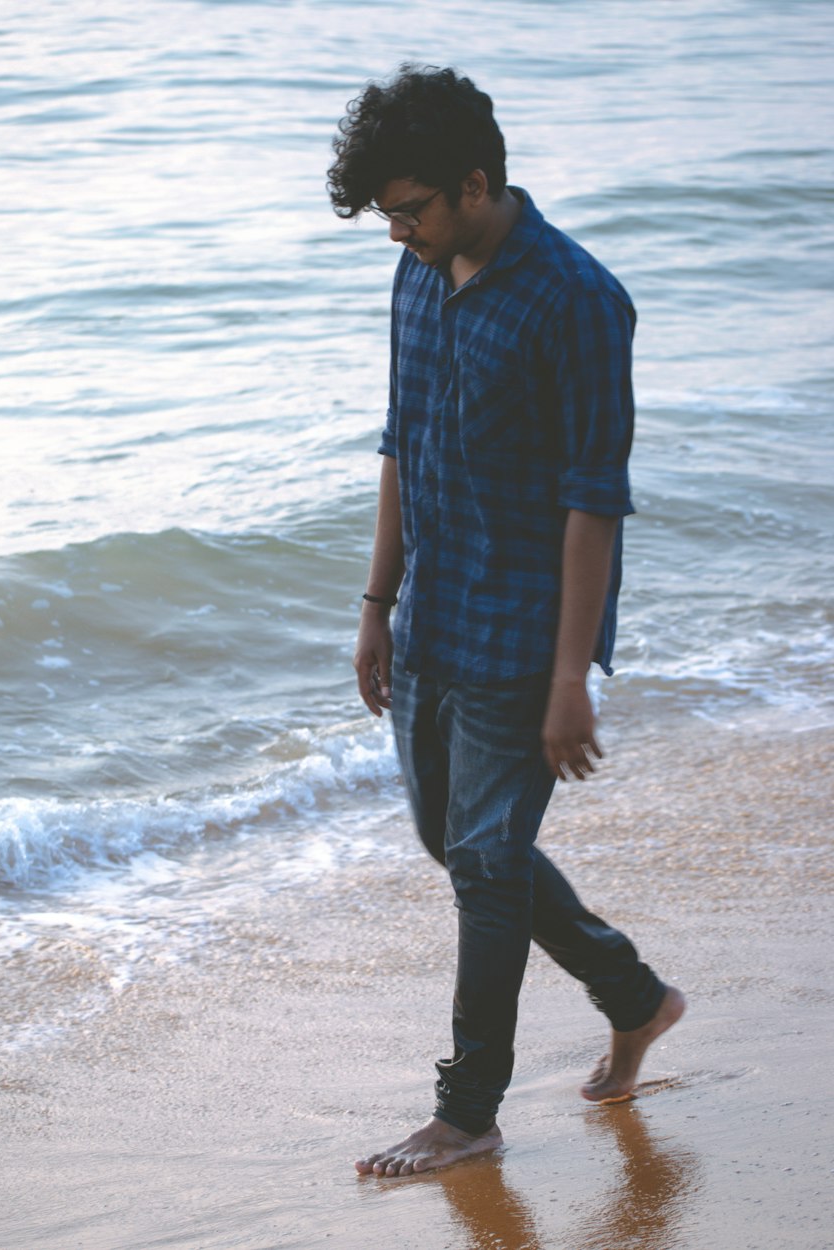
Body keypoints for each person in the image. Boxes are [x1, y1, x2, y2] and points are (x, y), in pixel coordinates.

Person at [327, 65, 685, 1178]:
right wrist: (377, 605)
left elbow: (594, 501)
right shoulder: (421, 274)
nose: (396, 232)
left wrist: (569, 675)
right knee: (458, 843)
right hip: (431, 615)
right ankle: (635, 995)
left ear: (475, 181)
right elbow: (400, 444)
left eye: (410, 208)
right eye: (385, 214)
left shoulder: (576, 300)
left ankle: (466, 1108)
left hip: (525, 633)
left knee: (484, 858)